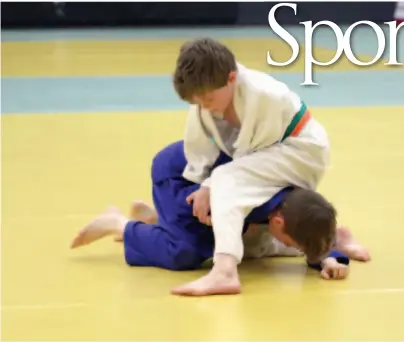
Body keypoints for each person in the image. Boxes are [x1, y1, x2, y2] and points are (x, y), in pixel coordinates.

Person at [171, 37, 364, 295]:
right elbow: (201, 149)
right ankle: (332, 241)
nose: (204, 106)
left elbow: (243, 162)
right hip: (270, 154)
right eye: (198, 101)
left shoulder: (265, 96)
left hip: (301, 152)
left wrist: (209, 185)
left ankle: (225, 271)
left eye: (207, 98)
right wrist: (201, 183)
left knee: (227, 181)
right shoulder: (212, 94)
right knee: (257, 234)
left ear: (231, 78)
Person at [70, 141, 369, 293]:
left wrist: (331, 257)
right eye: (298, 246)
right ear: (277, 221)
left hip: (211, 176)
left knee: (254, 244)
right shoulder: (245, 202)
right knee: (187, 253)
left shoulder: (294, 194)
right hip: (179, 177)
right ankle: (120, 223)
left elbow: (309, 223)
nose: (297, 250)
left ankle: (155, 220)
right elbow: (220, 225)